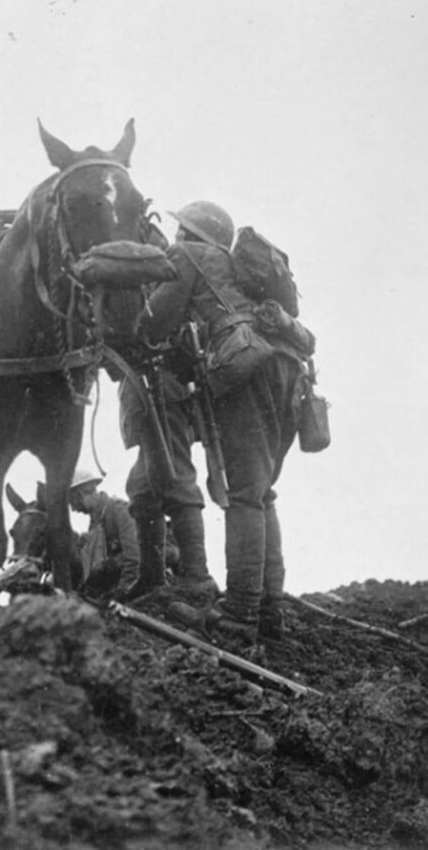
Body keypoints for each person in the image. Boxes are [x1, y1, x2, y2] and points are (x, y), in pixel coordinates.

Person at [134, 200, 313, 645]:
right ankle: (268, 610)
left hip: (248, 367)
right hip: (290, 371)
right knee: (261, 492)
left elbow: (153, 325)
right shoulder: (241, 274)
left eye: (181, 232)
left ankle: (238, 616)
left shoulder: (189, 256)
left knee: (244, 496)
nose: (174, 240)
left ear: (192, 234)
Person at [117, 356, 217, 603]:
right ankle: (152, 577)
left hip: (162, 386)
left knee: (177, 478)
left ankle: (197, 577)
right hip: (145, 386)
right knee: (142, 488)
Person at [68, 469, 140, 597]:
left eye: (73, 502)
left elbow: (134, 559)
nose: (73, 509)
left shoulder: (120, 511)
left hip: (131, 587)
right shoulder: (94, 523)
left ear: (81, 493)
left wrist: (122, 594)